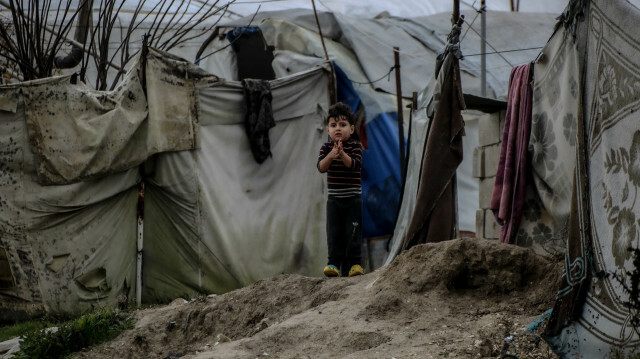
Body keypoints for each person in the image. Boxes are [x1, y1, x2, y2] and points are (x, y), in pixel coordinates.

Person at [317, 102, 364, 278]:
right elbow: (321, 167)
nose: (338, 128)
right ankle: (333, 264)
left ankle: (355, 265)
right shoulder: (326, 148)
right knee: (334, 232)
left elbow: (354, 165)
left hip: (353, 200)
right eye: (333, 125)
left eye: (343, 125)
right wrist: (332, 155)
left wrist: (342, 154)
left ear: (351, 129)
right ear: (328, 129)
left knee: (352, 233)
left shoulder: (355, 147)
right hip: (334, 201)